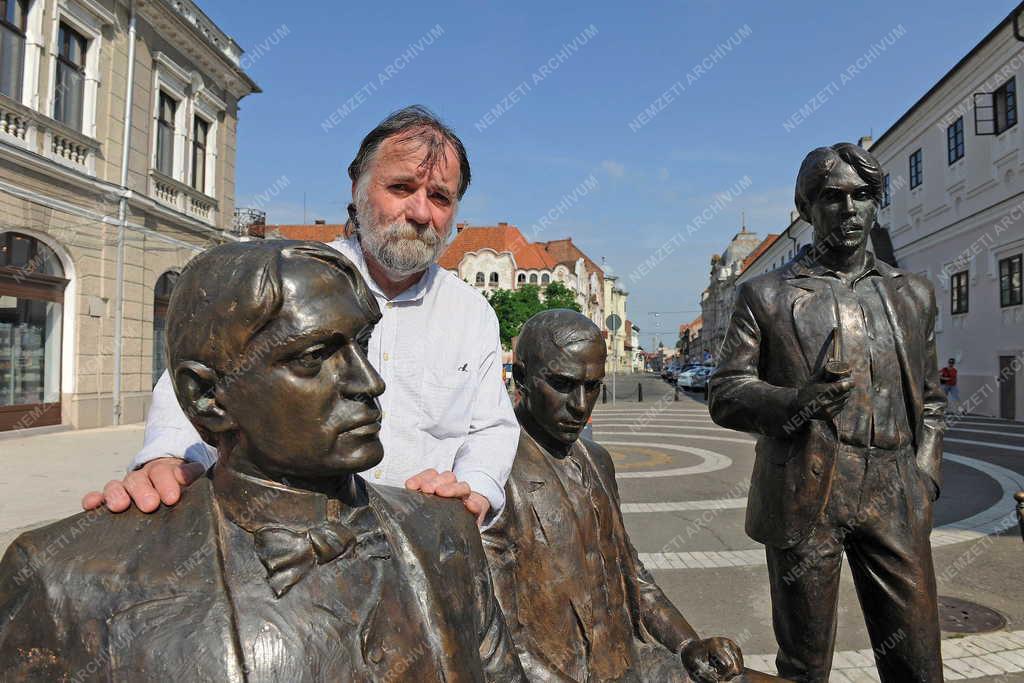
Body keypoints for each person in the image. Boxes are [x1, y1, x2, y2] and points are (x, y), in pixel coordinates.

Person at [0, 241, 525, 681]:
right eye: (312, 357)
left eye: (362, 344)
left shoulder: (443, 534)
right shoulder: (68, 577)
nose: (370, 382)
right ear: (208, 397)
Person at [82, 105, 517, 525]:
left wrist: (474, 489)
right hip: (287, 535)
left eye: (440, 197)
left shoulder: (471, 312)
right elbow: (202, 383)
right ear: (358, 189)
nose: (421, 212)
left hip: (414, 539)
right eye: (401, 188)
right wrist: (169, 458)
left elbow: (492, 427)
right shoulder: (284, 279)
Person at [708, 143, 946, 683]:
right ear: (806, 208)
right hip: (807, 489)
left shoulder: (913, 294)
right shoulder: (765, 295)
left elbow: (930, 401)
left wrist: (925, 475)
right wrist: (797, 402)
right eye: (833, 198)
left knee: (918, 661)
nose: (850, 210)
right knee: (805, 667)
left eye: (863, 196)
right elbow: (725, 391)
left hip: (894, 487)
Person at [484, 309, 777, 683]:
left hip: (631, 661)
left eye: (592, 387)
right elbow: (501, 639)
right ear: (522, 377)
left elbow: (633, 575)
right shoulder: (493, 474)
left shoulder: (597, 461)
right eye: (562, 384)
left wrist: (688, 645)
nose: (580, 405)